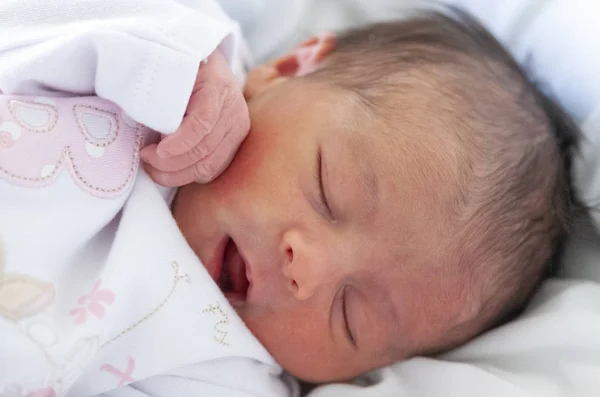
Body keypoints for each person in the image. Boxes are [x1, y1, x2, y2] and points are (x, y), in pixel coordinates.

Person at [0, 2, 581, 397]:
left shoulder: (230, 373)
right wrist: (180, 63)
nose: (310, 270)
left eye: (350, 316)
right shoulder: (188, 58)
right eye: (327, 188)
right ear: (287, 68)